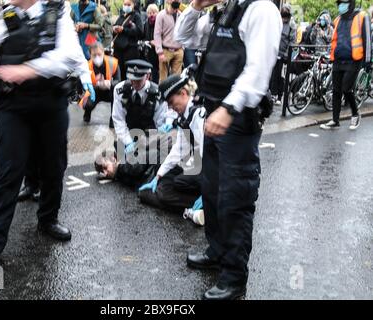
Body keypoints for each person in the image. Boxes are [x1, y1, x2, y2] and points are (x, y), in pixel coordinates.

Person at [0, 0, 95, 274]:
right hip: (15, 107)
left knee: (54, 166)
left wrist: (28, 70)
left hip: (51, 105)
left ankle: (48, 220)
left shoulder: (58, 13)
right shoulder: (2, 19)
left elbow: (69, 54)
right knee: (9, 171)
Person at [175, 0, 281, 300]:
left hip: (236, 118)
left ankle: (234, 276)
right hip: (214, 113)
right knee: (212, 190)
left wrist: (229, 108)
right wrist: (196, 5)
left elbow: (258, 71)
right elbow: (183, 38)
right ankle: (217, 251)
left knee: (235, 198)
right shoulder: (224, 12)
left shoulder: (261, 10)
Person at [138, 71, 205, 224]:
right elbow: (178, 150)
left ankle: (207, 203)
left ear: (183, 93)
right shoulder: (185, 117)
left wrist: (208, 192)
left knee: (175, 184)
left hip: (213, 170)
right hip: (198, 165)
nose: (170, 108)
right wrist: (158, 176)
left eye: (171, 102)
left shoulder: (199, 114)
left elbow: (209, 154)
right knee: (164, 182)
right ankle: (195, 208)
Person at [320, 0, 371, 131]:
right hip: (338, 59)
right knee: (336, 90)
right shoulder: (338, 19)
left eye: (344, 2)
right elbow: (334, 39)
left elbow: (367, 39)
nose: (341, 5)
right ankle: (335, 120)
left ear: (351, 3)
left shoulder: (362, 16)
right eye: (339, 3)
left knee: (346, 88)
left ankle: (355, 113)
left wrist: (367, 60)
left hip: (353, 59)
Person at [112, 59, 176, 156]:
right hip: (128, 134)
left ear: (148, 76)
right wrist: (128, 142)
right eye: (131, 79)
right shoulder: (120, 90)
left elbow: (159, 122)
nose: (134, 83)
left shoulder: (157, 94)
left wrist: (152, 140)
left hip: (149, 135)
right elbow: (118, 119)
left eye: (138, 80)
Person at [83, 41, 120, 126]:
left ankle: (113, 118)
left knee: (117, 94)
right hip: (94, 92)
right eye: (94, 55)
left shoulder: (113, 63)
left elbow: (118, 81)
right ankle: (87, 112)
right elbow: (81, 85)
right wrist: (97, 84)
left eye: (99, 54)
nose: (97, 57)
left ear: (103, 52)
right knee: (86, 104)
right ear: (90, 55)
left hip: (109, 91)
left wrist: (109, 83)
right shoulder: (86, 67)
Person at [270, 4, 296, 105]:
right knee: (272, 74)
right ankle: (272, 94)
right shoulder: (277, 21)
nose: (284, 18)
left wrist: (285, 55)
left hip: (283, 54)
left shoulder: (291, 25)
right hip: (274, 52)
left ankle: (279, 96)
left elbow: (292, 41)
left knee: (280, 76)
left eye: (285, 16)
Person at [113, 0, 143, 80]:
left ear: (133, 5)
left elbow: (140, 32)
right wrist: (115, 29)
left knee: (130, 73)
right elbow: (115, 26)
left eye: (128, 4)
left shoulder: (136, 16)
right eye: (125, 4)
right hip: (118, 49)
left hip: (130, 50)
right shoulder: (121, 16)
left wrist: (124, 30)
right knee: (119, 73)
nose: (126, 6)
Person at [154, 0, 183, 82]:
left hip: (179, 50)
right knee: (163, 79)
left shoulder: (181, 15)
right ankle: (162, 94)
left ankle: (175, 94)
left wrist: (182, 48)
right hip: (165, 51)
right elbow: (157, 34)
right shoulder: (161, 15)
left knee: (177, 80)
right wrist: (160, 52)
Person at [143, 3, 159, 83]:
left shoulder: (160, 22)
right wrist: (149, 42)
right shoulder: (146, 23)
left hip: (160, 49)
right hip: (150, 50)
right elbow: (144, 37)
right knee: (153, 70)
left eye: (153, 12)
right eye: (149, 13)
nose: (151, 15)